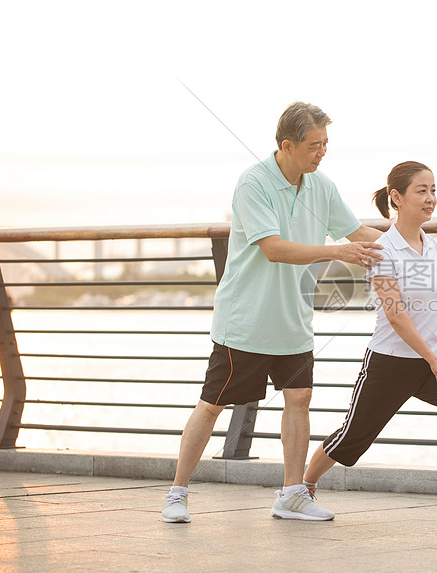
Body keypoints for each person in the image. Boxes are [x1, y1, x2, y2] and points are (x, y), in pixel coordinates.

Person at [161, 102, 383, 523]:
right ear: (287, 144)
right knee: (211, 405)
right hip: (245, 321)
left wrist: (416, 249)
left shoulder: (321, 185)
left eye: (326, 144)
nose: (322, 153)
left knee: (299, 400)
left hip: (292, 321)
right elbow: (274, 248)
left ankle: (292, 494)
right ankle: (177, 493)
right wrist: (338, 251)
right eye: (315, 145)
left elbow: (357, 232)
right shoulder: (254, 183)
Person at [302, 161, 437, 529]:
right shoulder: (381, 249)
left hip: (434, 361)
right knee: (352, 437)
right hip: (389, 362)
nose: (430, 198)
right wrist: (435, 363)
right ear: (397, 197)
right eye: (421, 190)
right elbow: (396, 315)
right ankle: (302, 490)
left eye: (433, 190)